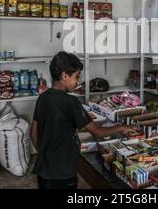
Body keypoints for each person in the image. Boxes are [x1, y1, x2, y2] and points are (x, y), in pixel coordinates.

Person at [31, 51, 134, 189]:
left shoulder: (43, 97)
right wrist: (121, 128)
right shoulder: (71, 102)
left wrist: (43, 152)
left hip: (44, 170)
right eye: (76, 76)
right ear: (64, 76)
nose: (78, 82)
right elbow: (97, 132)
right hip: (63, 172)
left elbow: (33, 131)